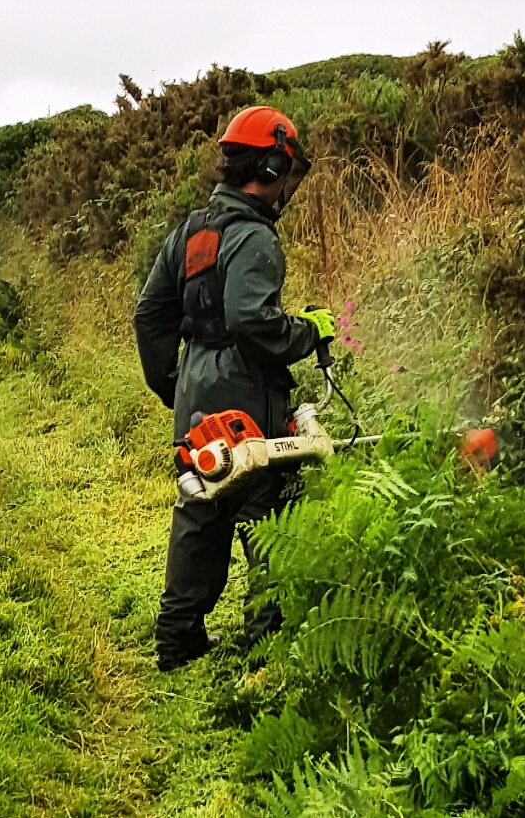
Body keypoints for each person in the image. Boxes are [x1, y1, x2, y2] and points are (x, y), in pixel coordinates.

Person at [133, 106, 337, 672]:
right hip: (248, 396)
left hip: (196, 390)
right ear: (271, 166)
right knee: (266, 518)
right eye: (286, 173)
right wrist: (307, 331)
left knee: (199, 505)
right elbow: (252, 322)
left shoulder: (191, 233)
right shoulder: (254, 238)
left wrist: (173, 385)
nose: (287, 187)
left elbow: (150, 315)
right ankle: (265, 653)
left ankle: (177, 641)